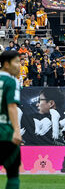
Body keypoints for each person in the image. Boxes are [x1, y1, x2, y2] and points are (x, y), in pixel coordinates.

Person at [0, 50, 22, 189]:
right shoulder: (11, 81)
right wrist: (17, 131)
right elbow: (12, 106)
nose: (20, 65)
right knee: (13, 174)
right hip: (5, 133)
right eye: (17, 62)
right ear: (7, 64)